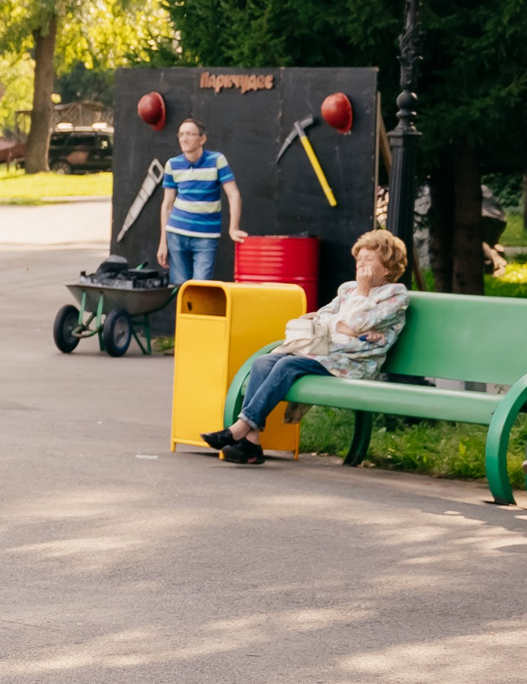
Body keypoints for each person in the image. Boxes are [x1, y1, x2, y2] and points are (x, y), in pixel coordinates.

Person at [204, 229, 409, 464]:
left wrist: (359, 302)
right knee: (263, 361)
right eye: (359, 258)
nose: (361, 264)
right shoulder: (347, 289)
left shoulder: (396, 296)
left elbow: (356, 322)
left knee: (288, 365)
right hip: (327, 353)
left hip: (354, 362)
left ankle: (240, 429)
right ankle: (252, 442)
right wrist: (347, 327)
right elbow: (323, 317)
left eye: (369, 259)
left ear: (388, 266)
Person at [162, 117, 245, 284]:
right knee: (180, 288)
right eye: (181, 134)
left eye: (189, 134)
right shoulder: (172, 164)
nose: (184, 138)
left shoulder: (217, 160)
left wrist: (233, 228)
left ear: (202, 139)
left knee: (201, 288)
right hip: (176, 234)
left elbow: (233, 194)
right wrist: (163, 243)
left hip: (206, 237)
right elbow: (167, 204)